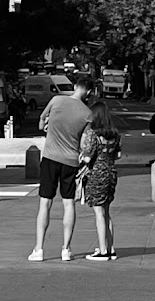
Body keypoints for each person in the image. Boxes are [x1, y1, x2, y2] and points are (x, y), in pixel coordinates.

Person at [29, 72, 94, 262]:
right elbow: (85, 142)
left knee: (45, 202)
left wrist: (48, 127)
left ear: (75, 87)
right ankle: (66, 248)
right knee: (68, 203)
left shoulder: (56, 100)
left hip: (50, 157)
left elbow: (42, 122)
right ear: (88, 92)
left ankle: (39, 249)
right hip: (70, 161)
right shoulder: (87, 114)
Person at [79, 98, 121, 261]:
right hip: (111, 172)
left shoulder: (93, 133)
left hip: (97, 173)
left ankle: (103, 251)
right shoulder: (114, 134)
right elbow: (117, 154)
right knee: (107, 212)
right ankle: (110, 248)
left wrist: (81, 156)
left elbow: (88, 158)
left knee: (99, 212)